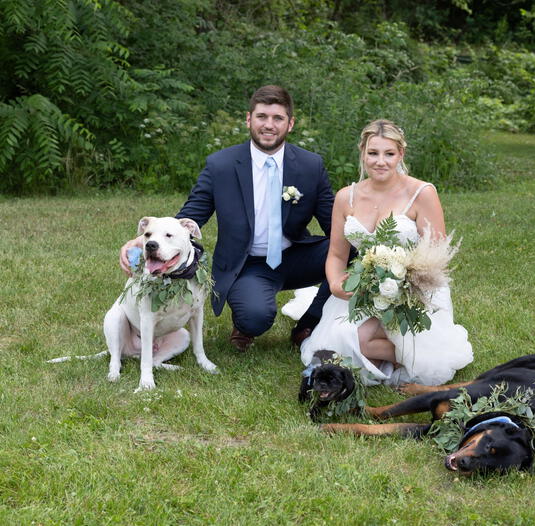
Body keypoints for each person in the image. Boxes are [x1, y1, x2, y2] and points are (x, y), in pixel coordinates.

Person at [119, 85, 333, 351]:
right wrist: (138, 241)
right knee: (255, 318)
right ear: (248, 119)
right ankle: (245, 317)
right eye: (262, 117)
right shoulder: (221, 165)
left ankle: (308, 323)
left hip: (296, 254)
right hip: (249, 264)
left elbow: (334, 225)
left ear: (290, 124)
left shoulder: (311, 165)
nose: (269, 125)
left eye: (278, 118)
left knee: (355, 253)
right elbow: (189, 215)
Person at [300, 119, 473, 386]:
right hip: (365, 288)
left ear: (400, 154)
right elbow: (336, 254)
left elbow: (437, 257)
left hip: (415, 290)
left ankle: (422, 353)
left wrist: (404, 282)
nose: (380, 161)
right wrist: (335, 282)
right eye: (373, 153)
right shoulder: (347, 197)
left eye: (389, 154)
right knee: (342, 341)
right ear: (363, 153)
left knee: (363, 344)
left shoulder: (421, 193)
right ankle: (401, 355)